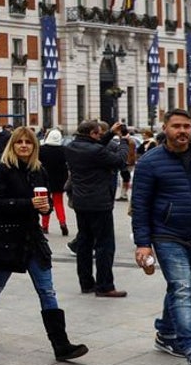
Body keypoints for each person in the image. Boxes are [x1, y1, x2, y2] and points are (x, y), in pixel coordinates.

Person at [0, 126, 88, 361]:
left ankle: (61, 344)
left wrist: (47, 209)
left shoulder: (38, 170)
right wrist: (29, 205)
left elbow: (45, 202)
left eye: (29, 142)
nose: (24, 145)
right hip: (7, 237)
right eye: (19, 142)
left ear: (35, 146)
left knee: (46, 289)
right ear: (12, 146)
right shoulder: (2, 170)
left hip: (32, 237)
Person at [131, 108, 191, 365]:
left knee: (180, 288)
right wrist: (143, 243)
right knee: (182, 288)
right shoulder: (150, 162)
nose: (182, 131)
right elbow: (140, 206)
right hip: (167, 235)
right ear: (165, 128)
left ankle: (165, 332)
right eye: (176, 126)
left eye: (186, 126)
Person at [64, 119, 128, 297]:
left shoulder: (71, 147)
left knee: (84, 243)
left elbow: (93, 147)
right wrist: (123, 140)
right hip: (99, 203)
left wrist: (109, 133)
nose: (100, 136)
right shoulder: (97, 151)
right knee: (105, 245)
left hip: (80, 202)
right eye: (98, 133)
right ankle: (105, 285)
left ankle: (86, 283)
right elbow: (120, 161)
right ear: (92, 134)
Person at [39, 129, 70, 236]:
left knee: (45, 203)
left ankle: (45, 226)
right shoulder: (64, 150)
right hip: (59, 180)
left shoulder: (42, 149)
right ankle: (62, 222)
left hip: (45, 179)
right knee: (58, 203)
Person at [116, 125, 136, 201]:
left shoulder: (128, 140)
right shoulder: (128, 139)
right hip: (127, 162)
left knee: (125, 179)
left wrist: (128, 162)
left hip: (127, 163)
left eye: (118, 131)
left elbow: (130, 153)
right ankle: (123, 194)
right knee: (124, 179)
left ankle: (124, 195)